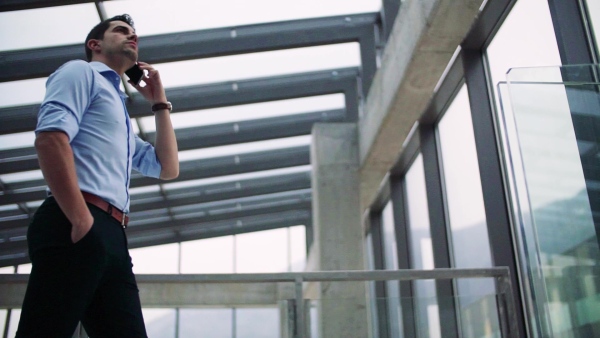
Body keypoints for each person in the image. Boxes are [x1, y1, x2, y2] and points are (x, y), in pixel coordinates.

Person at [16, 14, 179, 337]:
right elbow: (50, 138)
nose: (132, 37)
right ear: (95, 44)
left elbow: (166, 168)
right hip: (76, 219)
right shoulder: (80, 73)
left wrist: (159, 103)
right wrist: (80, 220)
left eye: (135, 34)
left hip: (113, 235)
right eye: (121, 31)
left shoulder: (117, 107)